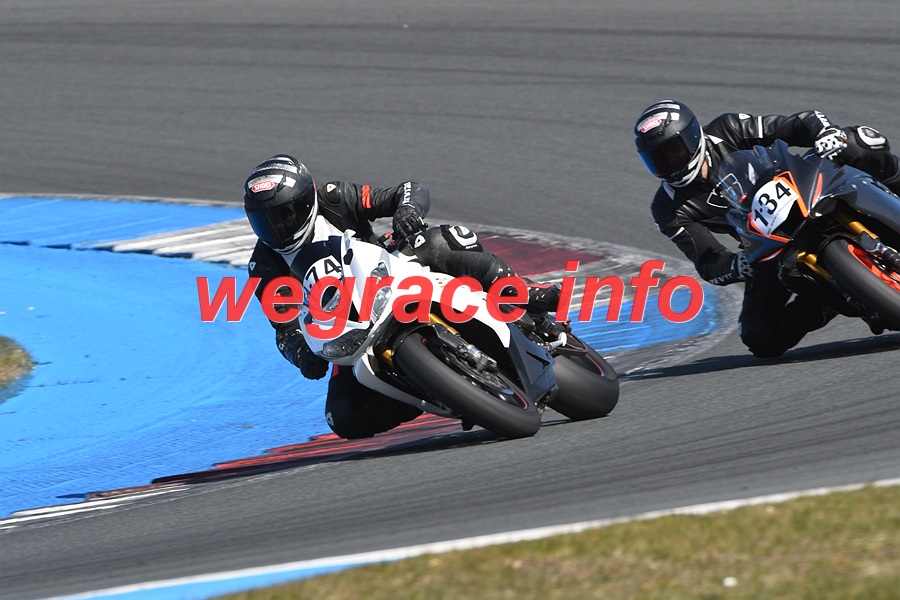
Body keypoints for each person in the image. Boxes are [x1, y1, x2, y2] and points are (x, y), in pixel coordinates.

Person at [243, 154, 560, 439]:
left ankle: (521, 292)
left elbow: (408, 190)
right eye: (264, 221)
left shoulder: (334, 198)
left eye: (284, 215)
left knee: (439, 241)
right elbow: (285, 330)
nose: (277, 228)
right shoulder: (264, 266)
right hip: (350, 328)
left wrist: (407, 210)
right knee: (343, 417)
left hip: (392, 271)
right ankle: (437, 390)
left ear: (307, 200)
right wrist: (301, 354)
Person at [633, 99, 900, 358]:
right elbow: (707, 261)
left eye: (674, 151)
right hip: (764, 242)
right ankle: (836, 295)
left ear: (693, 136)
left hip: (802, 182)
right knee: (759, 335)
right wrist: (736, 266)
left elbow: (794, 124)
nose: (670, 164)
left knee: (856, 142)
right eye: (657, 159)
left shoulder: (728, 128)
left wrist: (824, 132)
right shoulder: (668, 209)